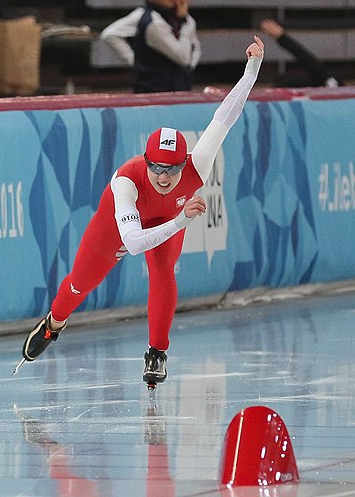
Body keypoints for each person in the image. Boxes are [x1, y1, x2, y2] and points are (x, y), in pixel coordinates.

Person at [16, 36, 264, 386]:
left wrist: (252, 68)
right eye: (157, 168)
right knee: (80, 284)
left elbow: (226, 116)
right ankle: (54, 322)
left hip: (166, 220)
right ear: (146, 161)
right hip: (120, 226)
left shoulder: (199, 163)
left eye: (173, 169)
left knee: (164, 272)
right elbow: (132, 242)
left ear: (184, 163)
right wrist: (180, 221)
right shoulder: (126, 182)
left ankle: (157, 352)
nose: (164, 177)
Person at [100, 0, 201, 93]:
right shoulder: (151, 21)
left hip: (181, 87)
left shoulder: (185, 18)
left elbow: (195, 48)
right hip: (155, 91)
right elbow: (183, 58)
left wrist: (188, 69)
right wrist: (135, 62)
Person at [260, 18, 343, 88]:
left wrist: (282, 38)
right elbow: (314, 66)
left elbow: (315, 66)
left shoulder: (334, 84)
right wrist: (282, 38)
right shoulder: (333, 82)